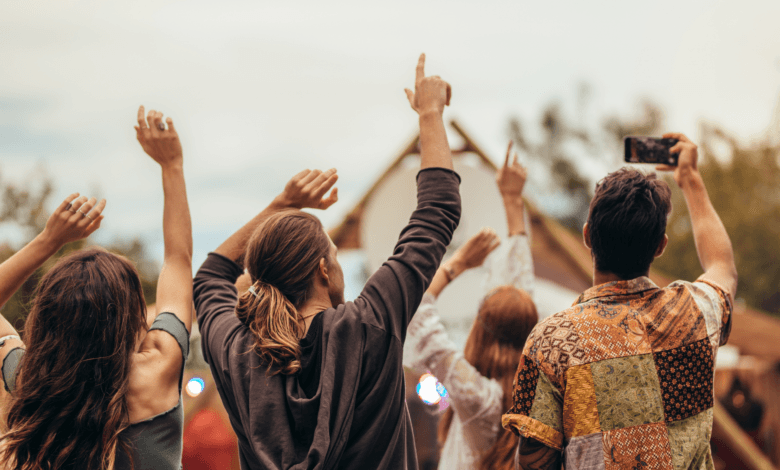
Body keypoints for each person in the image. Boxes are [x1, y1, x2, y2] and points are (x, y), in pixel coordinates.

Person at [192, 53, 460, 469]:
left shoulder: (236, 352)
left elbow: (211, 275)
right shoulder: (368, 324)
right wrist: (430, 113)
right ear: (322, 268)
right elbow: (438, 209)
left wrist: (279, 206)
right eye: (334, 256)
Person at [502, 133, 737, 469]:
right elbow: (723, 266)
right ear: (660, 246)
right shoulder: (696, 313)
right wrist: (690, 179)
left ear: (587, 236)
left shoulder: (551, 341)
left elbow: (533, 463)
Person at [0, 106, 193, 470]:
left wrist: (48, 241)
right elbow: (178, 260)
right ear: (131, 315)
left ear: (47, 318)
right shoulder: (158, 369)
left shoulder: (30, 379)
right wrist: (172, 166)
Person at [404, 143, 538, 470]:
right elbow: (520, 296)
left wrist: (456, 264)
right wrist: (511, 202)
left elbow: (416, 312)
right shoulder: (533, 396)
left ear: (481, 328)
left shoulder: (481, 399)